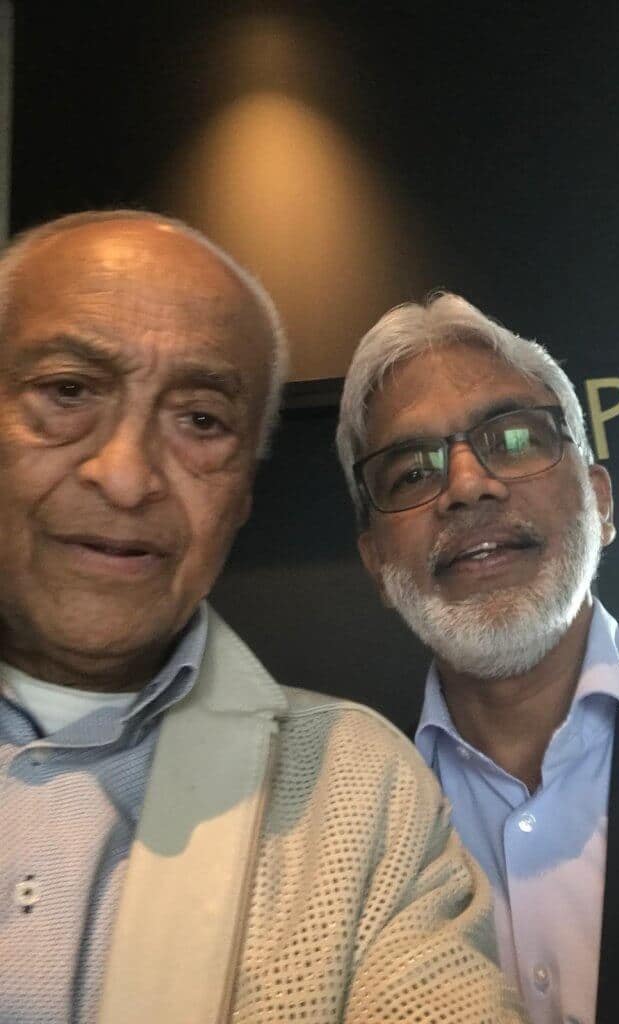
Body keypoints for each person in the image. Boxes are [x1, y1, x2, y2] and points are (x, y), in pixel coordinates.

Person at [0, 216, 521, 1024]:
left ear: (242, 493)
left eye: (201, 420)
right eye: (68, 391)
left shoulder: (358, 791)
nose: (127, 476)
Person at [336, 292, 619, 1024]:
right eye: (411, 472)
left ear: (601, 502)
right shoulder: (340, 821)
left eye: (513, 439)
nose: (467, 486)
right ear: (376, 561)